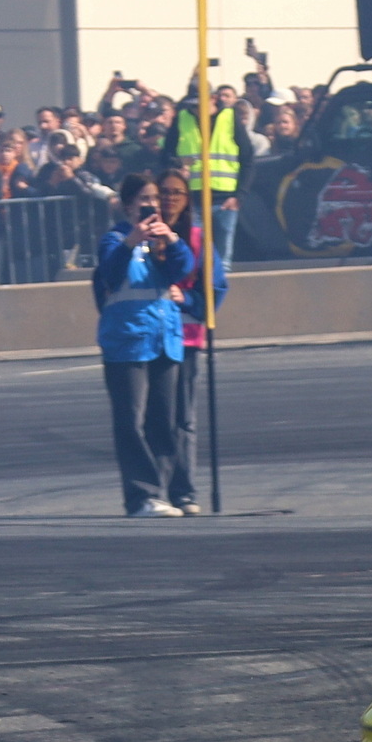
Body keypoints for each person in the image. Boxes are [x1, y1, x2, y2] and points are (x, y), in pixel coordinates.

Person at [94, 182, 197, 517]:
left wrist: (172, 240)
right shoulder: (114, 240)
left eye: (154, 199)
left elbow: (183, 268)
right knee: (131, 422)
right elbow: (110, 272)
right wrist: (131, 241)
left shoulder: (161, 243)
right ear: (128, 206)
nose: (151, 204)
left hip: (164, 340)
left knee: (164, 422)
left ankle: (163, 491)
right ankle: (142, 496)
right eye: (144, 199)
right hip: (127, 343)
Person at [152, 170, 228, 515]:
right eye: (164, 192)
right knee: (155, 417)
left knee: (183, 418)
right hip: (147, 337)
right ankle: (156, 489)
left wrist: (188, 300)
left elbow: (215, 288)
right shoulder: (141, 236)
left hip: (185, 337)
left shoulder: (198, 239)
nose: (169, 199)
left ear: (186, 200)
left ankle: (183, 490)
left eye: (176, 193)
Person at [161, 76, 254, 264]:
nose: (195, 109)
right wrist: (179, 166)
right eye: (192, 105)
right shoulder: (182, 118)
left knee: (223, 258)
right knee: (194, 253)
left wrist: (239, 196)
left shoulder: (230, 118)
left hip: (225, 200)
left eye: (199, 104)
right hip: (192, 199)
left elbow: (248, 159)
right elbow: (166, 156)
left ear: (213, 98)